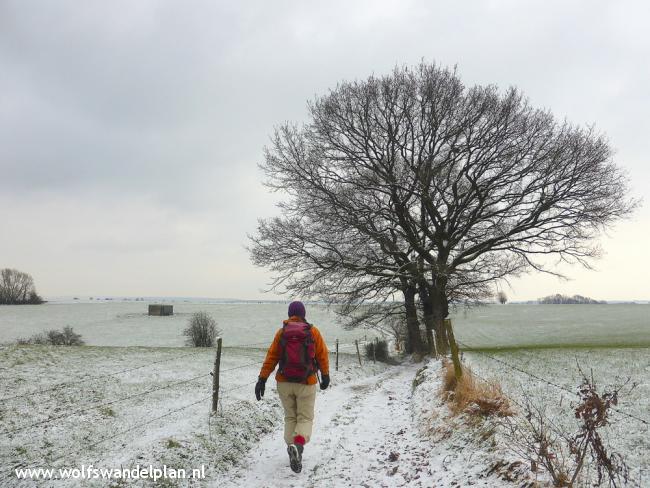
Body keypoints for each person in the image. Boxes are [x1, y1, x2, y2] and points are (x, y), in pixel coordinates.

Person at [255, 301, 330, 473]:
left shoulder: (282, 333)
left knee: (290, 418)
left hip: (284, 382)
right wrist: (325, 375)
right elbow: (323, 355)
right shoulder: (313, 332)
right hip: (306, 382)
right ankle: (298, 446)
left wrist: (262, 379)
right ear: (304, 314)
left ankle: (291, 446)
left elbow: (271, 357)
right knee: (304, 418)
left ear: (289, 314)